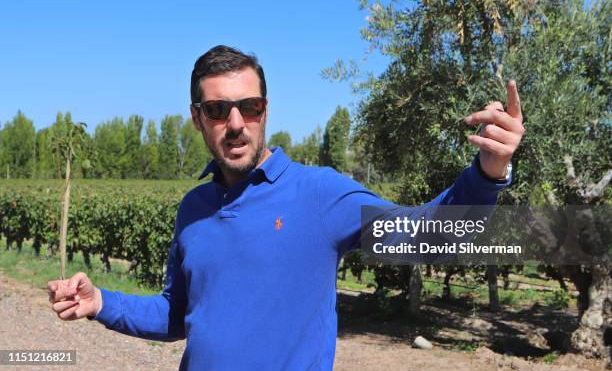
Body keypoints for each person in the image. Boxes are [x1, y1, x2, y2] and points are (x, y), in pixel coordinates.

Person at [47, 45, 524, 370]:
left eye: (248, 107)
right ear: (197, 119)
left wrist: (487, 172)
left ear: (265, 111)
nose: (235, 124)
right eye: (217, 111)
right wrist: (102, 303)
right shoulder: (193, 208)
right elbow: (177, 316)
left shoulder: (318, 194)